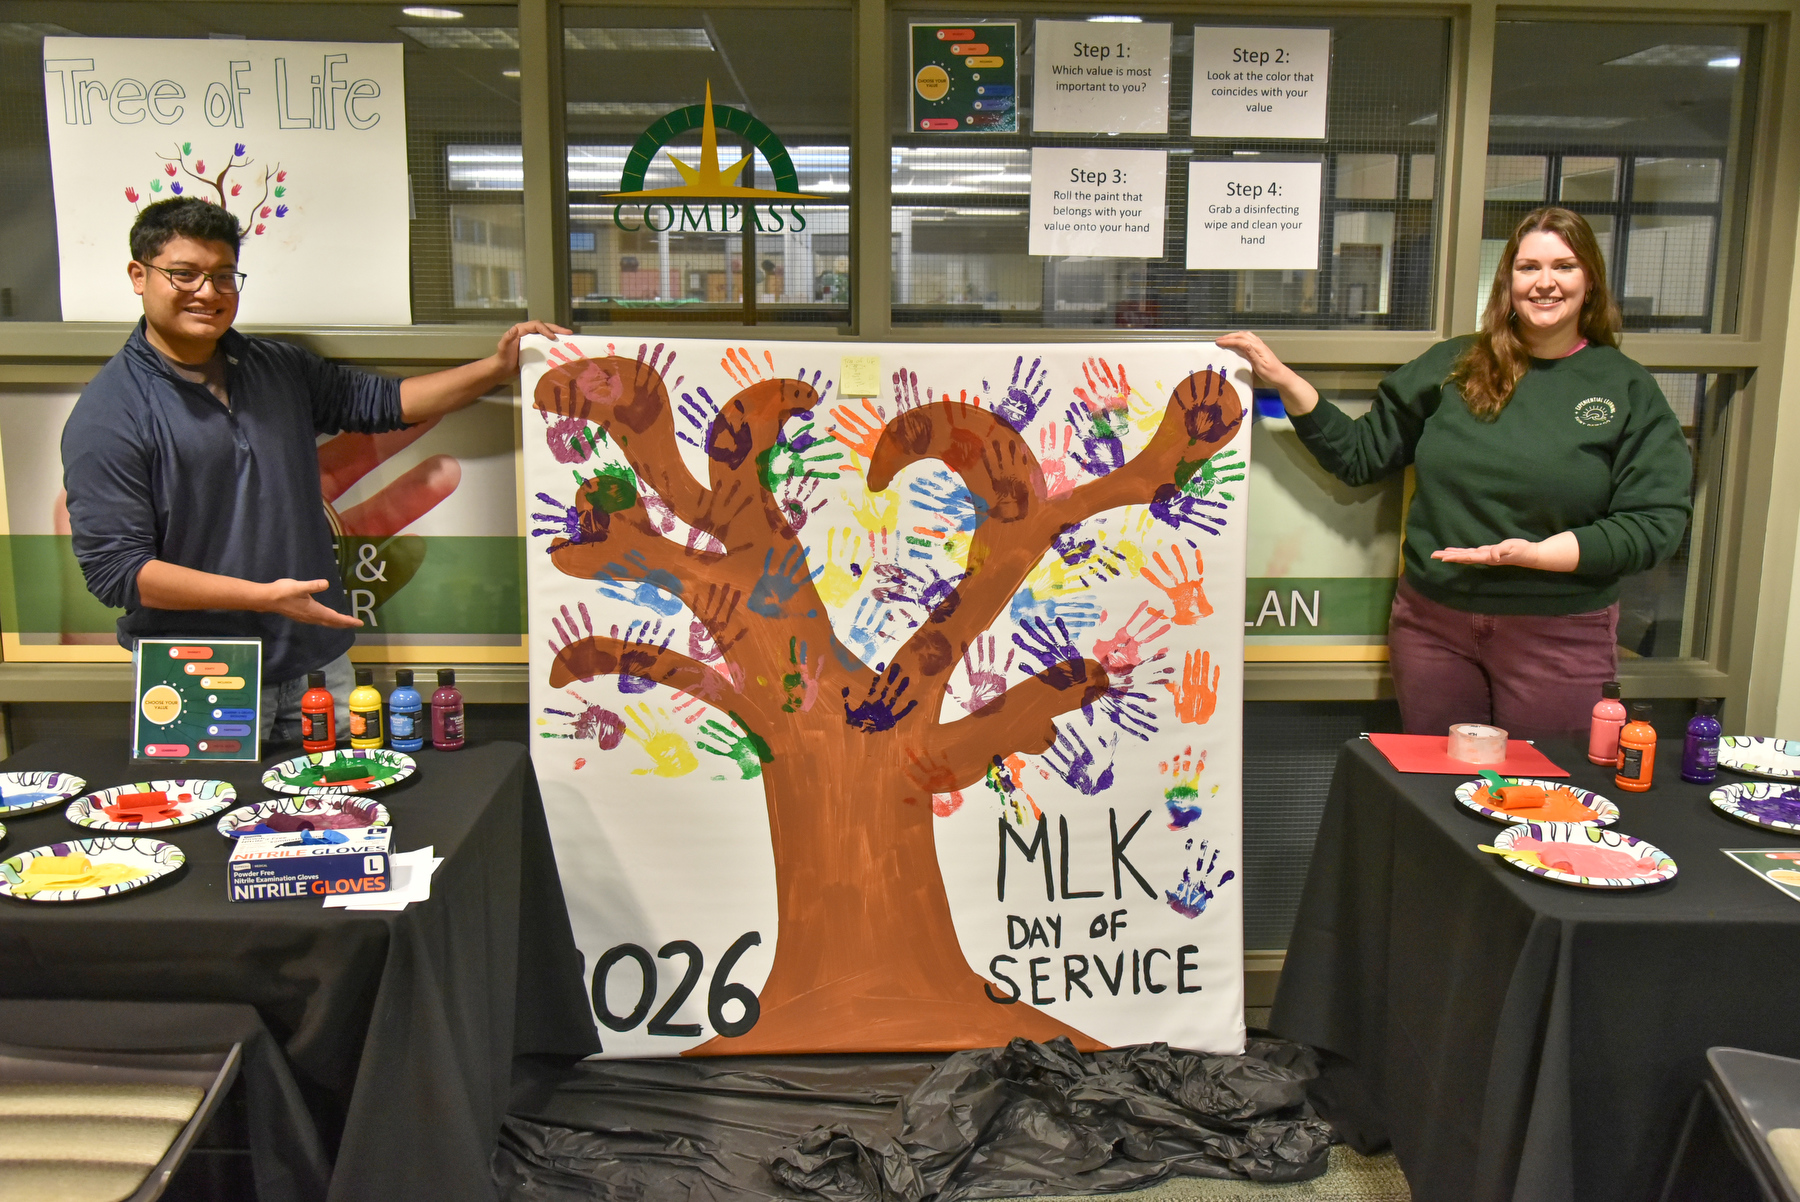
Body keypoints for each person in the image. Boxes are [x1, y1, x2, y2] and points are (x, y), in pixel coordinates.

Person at [62, 196, 569, 744]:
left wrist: (497, 368)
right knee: (214, 822)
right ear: (140, 276)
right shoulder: (108, 414)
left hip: (318, 666)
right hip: (201, 676)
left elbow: (388, 402)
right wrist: (262, 597)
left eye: (223, 276)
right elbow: (118, 573)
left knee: (346, 817)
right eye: (184, 275)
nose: (207, 293)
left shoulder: (275, 366)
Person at [1219, 207, 1693, 739]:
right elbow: (1361, 455)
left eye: (1564, 266)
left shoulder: (1626, 388)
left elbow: (1655, 523)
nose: (1544, 283)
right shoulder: (1455, 364)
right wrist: (1285, 381)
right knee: (1438, 799)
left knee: (1542, 797)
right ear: (1507, 279)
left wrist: (1539, 555)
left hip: (1559, 633)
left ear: (1590, 281)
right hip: (1433, 628)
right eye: (1528, 267)